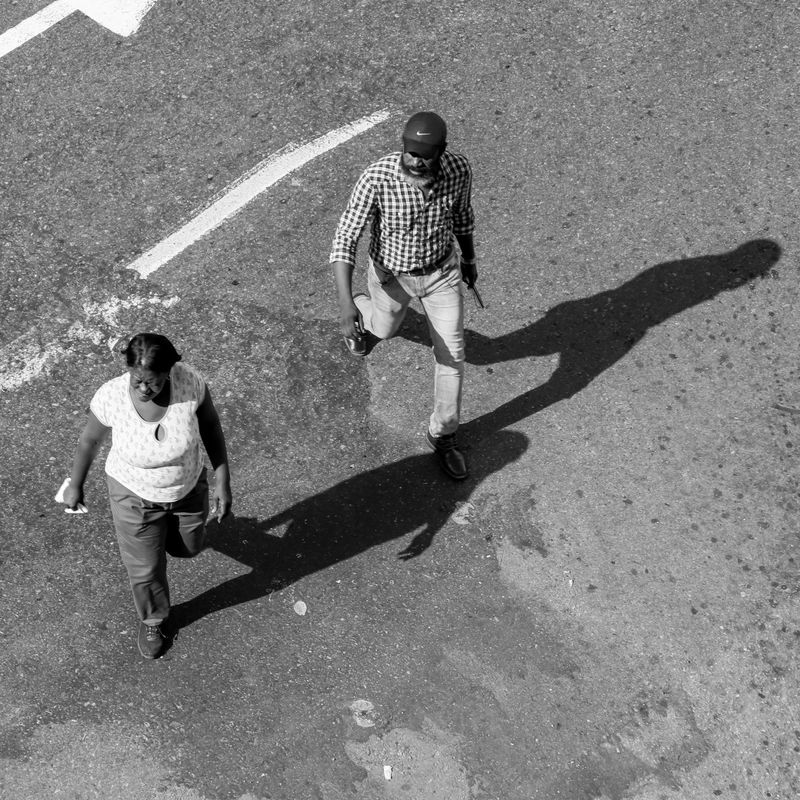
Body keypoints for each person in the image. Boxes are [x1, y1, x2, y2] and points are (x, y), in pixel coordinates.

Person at [61, 333, 232, 659]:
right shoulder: (112, 397)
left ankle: (158, 541)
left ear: (170, 371)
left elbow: (210, 426)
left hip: (187, 489)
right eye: (137, 381)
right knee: (145, 568)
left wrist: (223, 479)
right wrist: (75, 483)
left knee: (189, 546)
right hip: (133, 495)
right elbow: (89, 442)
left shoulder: (190, 383)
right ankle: (154, 619)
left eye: (152, 382)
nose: (143, 389)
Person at [329, 111, 477, 480]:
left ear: (441, 152)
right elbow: (346, 237)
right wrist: (347, 306)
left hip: (442, 275)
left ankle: (443, 434)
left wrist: (470, 258)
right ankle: (365, 309)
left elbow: (462, 215)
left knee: (453, 354)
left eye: (424, 155)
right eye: (410, 153)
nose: (414, 161)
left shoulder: (458, 170)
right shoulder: (376, 178)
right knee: (385, 327)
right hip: (391, 277)